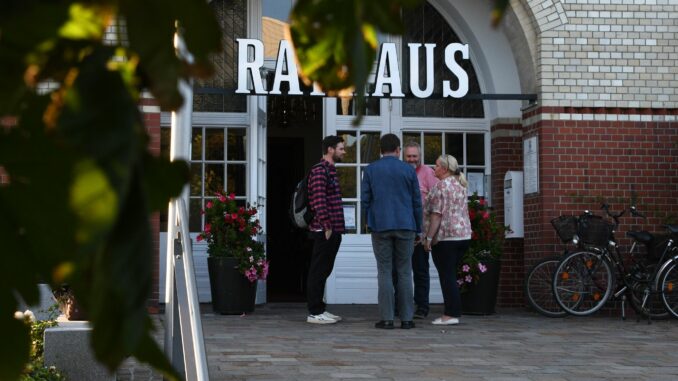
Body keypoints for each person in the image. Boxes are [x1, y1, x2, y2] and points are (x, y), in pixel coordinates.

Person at [361, 133, 422, 329]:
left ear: (380, 150)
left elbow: (365, 200)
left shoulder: (371, 170)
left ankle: (387, 319)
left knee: (385, 271)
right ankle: (407, 319)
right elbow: (416, 202)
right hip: (406, 225)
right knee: (405, 271)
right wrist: (419, 228)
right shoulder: (408, 170)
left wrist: (366, 222)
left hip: (380, 225)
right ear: (398, 150)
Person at [422, 155, 472, 326]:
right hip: (463, 235)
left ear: (444, 169)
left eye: (436, 166)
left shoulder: (440, 187)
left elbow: (436, 215)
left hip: (446, 237)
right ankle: (453, 311)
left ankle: (451, 314)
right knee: (451, 274)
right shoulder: (460, 185)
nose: (433, 168)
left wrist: (428, 238)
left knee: (447, 276)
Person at [306, 135, 346, 324]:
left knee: (324, 270)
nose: (343, 152)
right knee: (318, 270)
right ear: (330, 149)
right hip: (325, 230)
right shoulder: (320, 170)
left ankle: (320, 308)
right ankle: (314, 312)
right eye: (341, 148)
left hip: (333, 229)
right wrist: (327, 226)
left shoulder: (330, 170)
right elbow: (318, 199)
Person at [403, 141, 438, 318]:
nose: (411, 159)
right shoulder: (400, 171)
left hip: (421, 231)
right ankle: (400, 306)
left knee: (420, 270)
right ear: (403, 156)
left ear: (420, 157)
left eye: (414, 156)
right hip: (402, 228)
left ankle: (422, 307)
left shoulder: (428, 173)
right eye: (408, 156)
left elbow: (436, 201)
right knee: (400, 271)